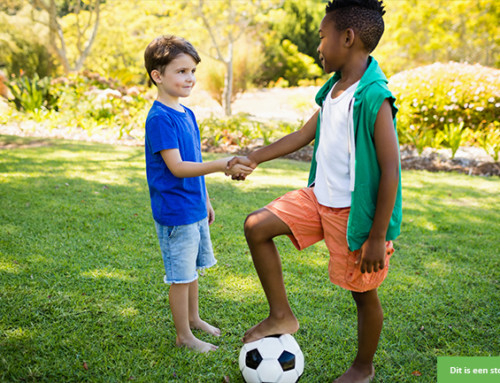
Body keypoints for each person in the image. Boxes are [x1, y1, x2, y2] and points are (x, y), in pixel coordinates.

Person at [228, 0, 402, 381]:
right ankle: (281, 315)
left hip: (352, 215)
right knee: (257, 225)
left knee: (362, 294)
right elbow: (304, 135)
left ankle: (363, 366)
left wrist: (376, 238)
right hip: (317, 198)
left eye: (323, 37)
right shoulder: (334, 90)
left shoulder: (374, 97)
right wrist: (255, 157)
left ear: (348, 37)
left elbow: (391, 171)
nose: (319, 46)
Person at [143, 35, 253, 353]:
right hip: (175, 211)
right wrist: (221, 165)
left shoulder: (187, 114)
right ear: (158, 75)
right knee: (180, 275)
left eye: (192, 71)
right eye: (181, 71)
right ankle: (184, 337)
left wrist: (205, 200)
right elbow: (177, 167)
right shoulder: (160, 119)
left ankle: (194, 318)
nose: (189, 78)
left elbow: (191, 159)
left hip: (193, 207)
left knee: (191, 271)